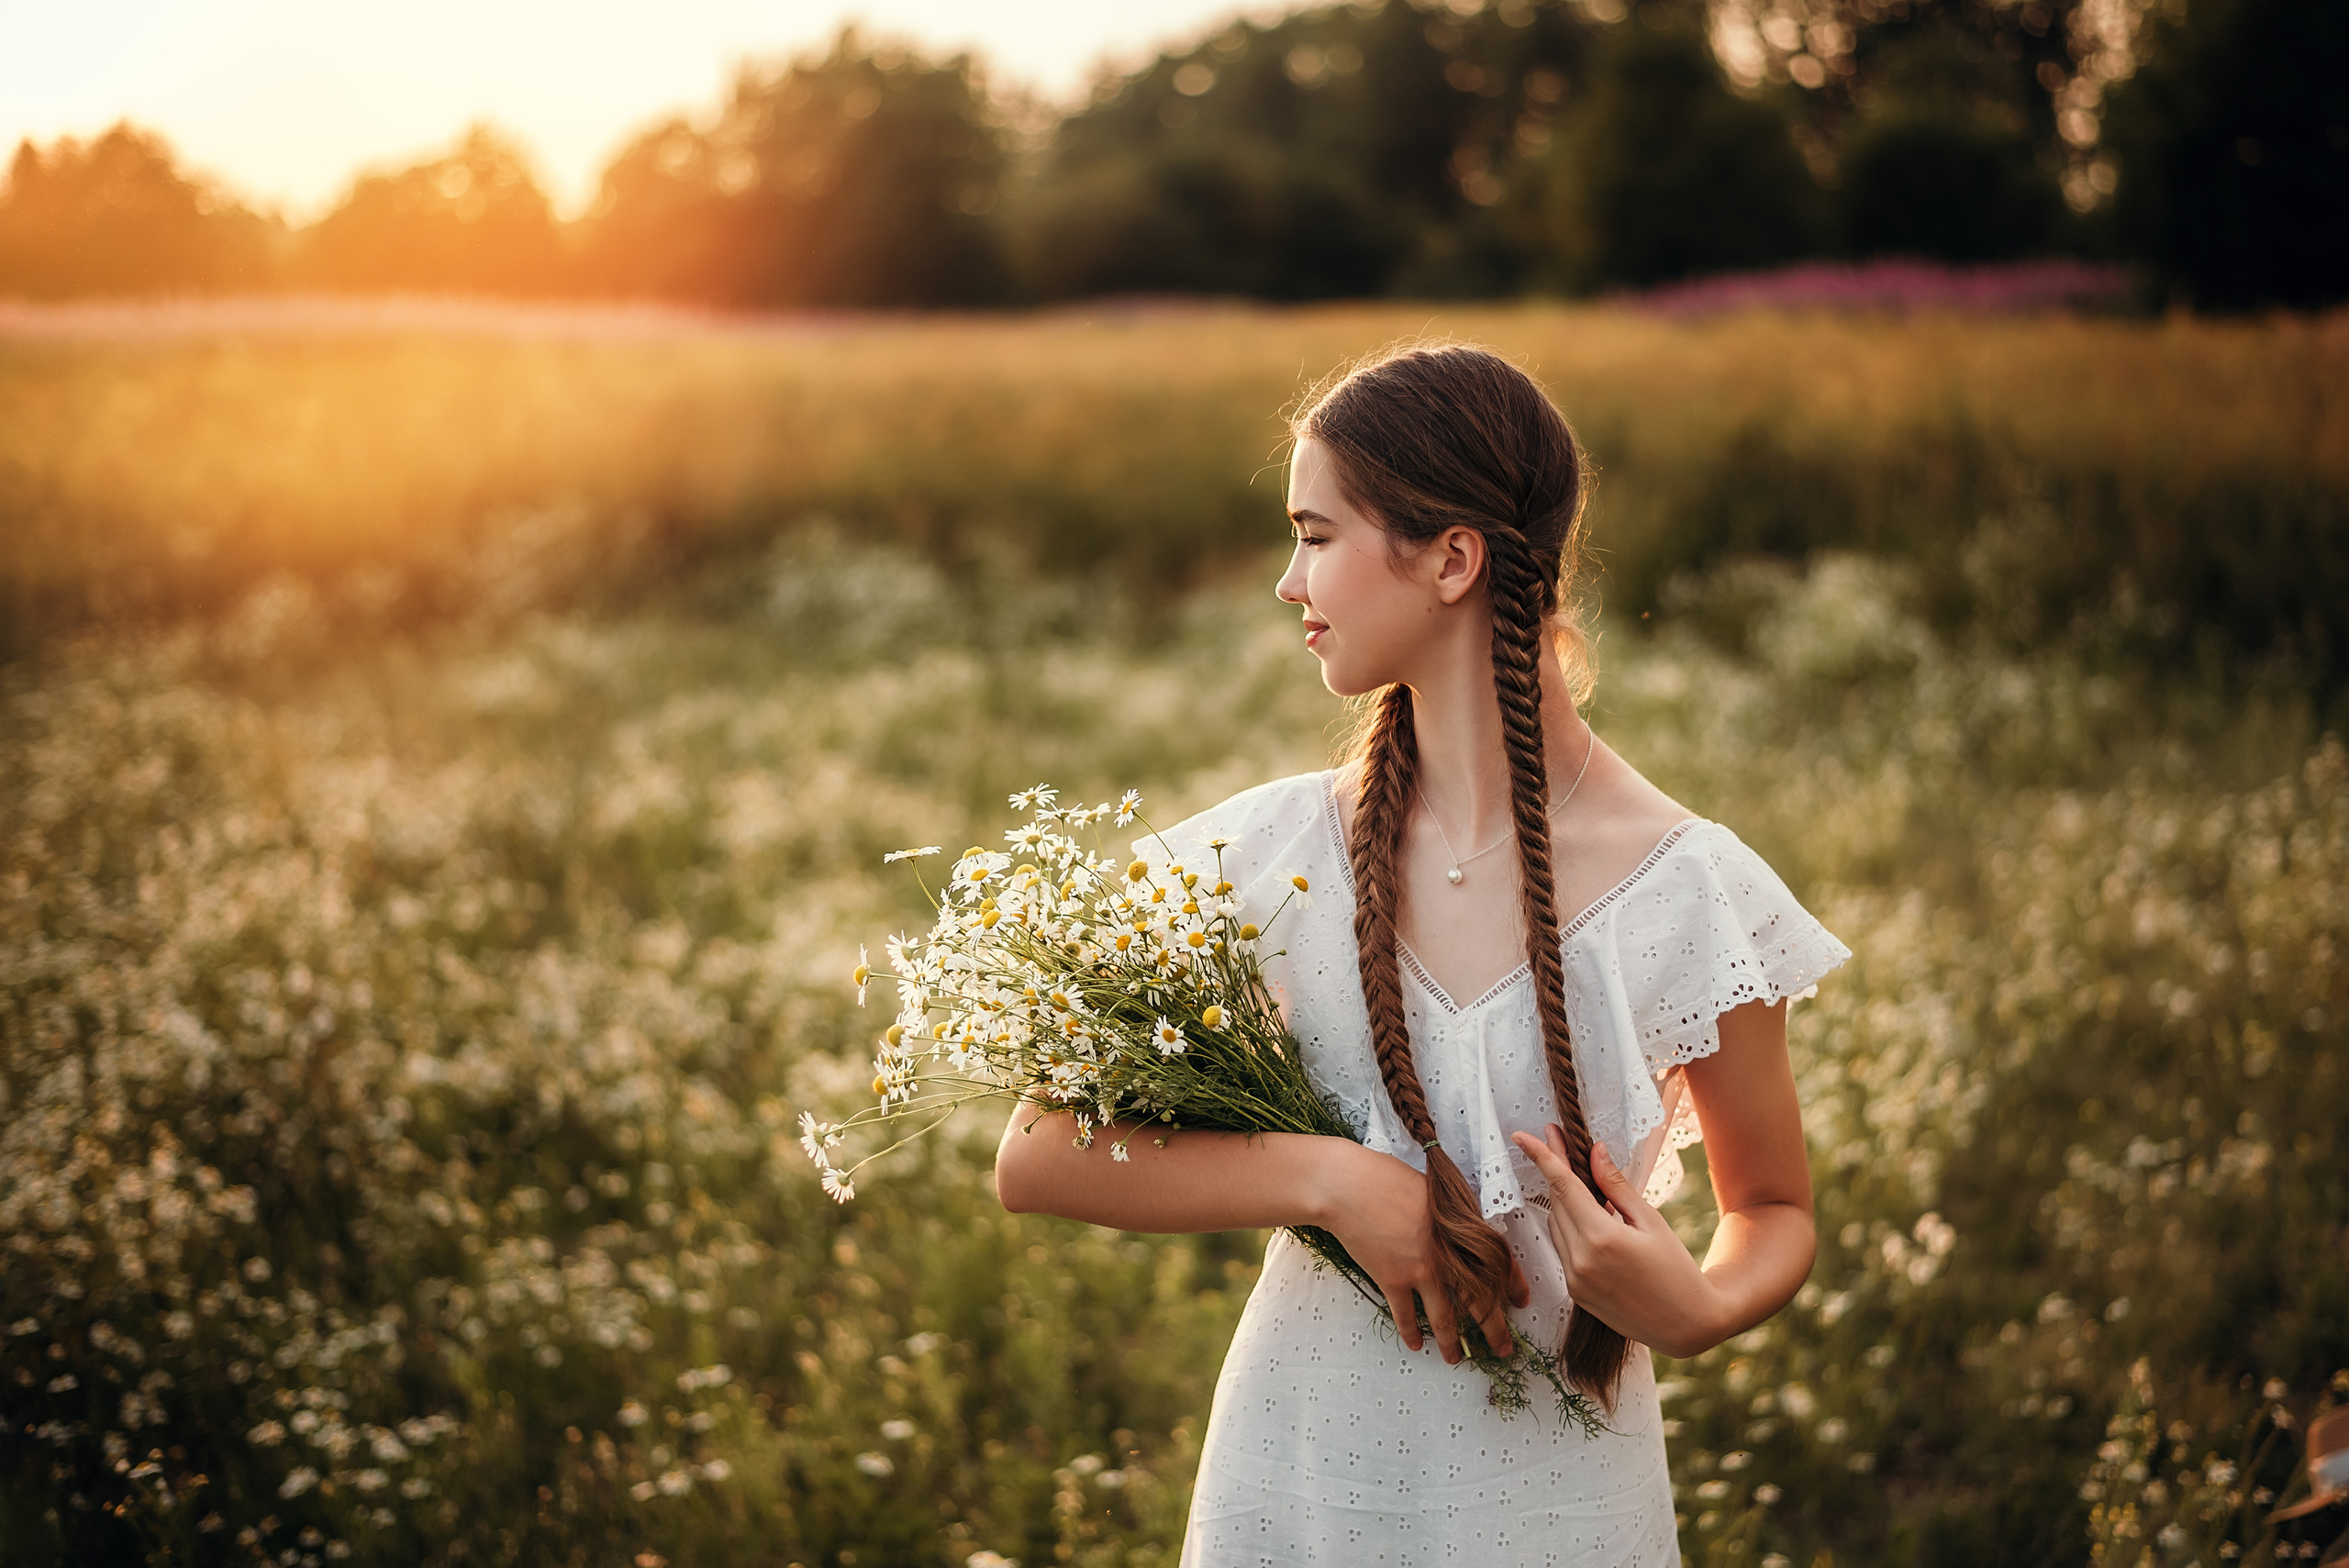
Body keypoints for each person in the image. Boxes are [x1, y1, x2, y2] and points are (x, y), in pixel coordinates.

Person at [993, 342, 1848, 1564]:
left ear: (1452, 559)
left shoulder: (1690, 892)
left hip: (1563, 1509)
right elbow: (1036, 1152)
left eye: (1317, 534)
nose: (1289, 581)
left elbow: (1773, 1205)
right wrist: (1331, 1182)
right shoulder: (1270, 855)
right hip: (1300, 1489)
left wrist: (1702, 1304)